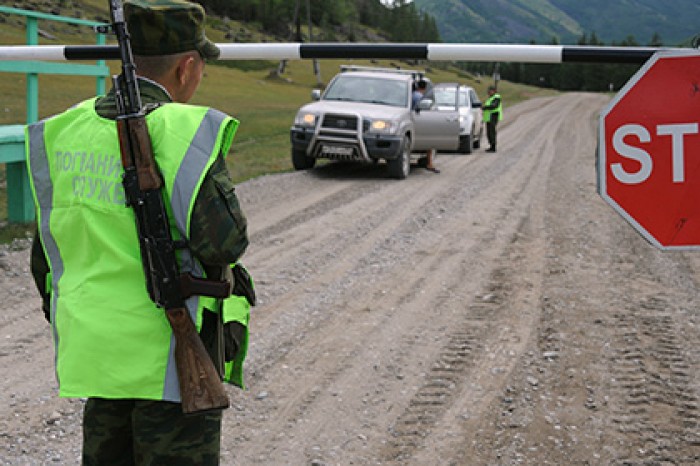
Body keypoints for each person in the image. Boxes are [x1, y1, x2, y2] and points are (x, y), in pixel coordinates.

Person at [25, 0, 250, 464]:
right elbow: (225, 241)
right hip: (169, 363)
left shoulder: (63, 131)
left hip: (99, 359)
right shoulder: (186, 131)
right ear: (188, 67)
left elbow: (45, 255)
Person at [412, 79, 440, 173]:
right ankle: (429, 163)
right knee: (430, 142)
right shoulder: (420, 96)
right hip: (418, 121)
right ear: (424, 88)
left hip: (411, 120)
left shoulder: (412, 94)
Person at [482, 84, 503, 152]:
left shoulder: (496, 97)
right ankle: (491, 146)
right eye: (488, 91)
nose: (489, 92)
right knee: (488, 132)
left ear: (494, 91)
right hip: (489, 117)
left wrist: (485, 107)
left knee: (492, 131)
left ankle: (493, 147)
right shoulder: (490, 98)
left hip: (493, 116)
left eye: (490, 91)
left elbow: (494, 106)